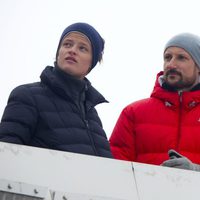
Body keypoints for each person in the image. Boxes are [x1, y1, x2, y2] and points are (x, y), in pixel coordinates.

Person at [0, 22, 113, 159]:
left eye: (82, 48)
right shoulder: (27, 95)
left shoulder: (92, 114)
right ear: (58, 53)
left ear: (91, 64)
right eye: (67, 44)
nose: (72, 50)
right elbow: (6, 156)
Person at [109, 32, 200, 171]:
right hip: (144, 193)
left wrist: (195, 171)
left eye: (181, 58)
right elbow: (114, 168)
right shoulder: (133, 113)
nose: (171, 64)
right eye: (167, 57)